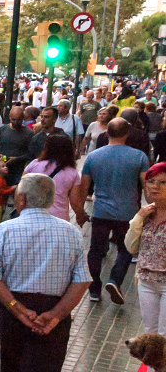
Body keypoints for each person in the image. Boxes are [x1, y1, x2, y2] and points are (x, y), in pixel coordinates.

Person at [0, 173, 90, 371]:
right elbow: (82, 281)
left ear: (22, 198)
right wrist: (56, 315)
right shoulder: (71, 232)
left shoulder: (3, 230)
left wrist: (16, 308)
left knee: (11, 365)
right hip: (54, 309)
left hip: (12, 311)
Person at [82, 117, 150, 304]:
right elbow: (147, 186)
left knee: (95, 250)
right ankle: (115, 279)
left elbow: (84, 186)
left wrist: (80, 212)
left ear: (106, 133)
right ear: (127, 134)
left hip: (101, 212)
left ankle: (94, 288)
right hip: (128, 213)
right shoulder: (139, 157)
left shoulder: (93, 156)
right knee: (126, 249)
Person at [126, 163, 166, 335]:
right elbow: (131, 247)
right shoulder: (146, 214)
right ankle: (152, 363)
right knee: (150, 332)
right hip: (146, 280)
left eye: (163, 182)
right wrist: (138, 218)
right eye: (151, 181)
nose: (155, 186)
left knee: (164, 334)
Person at [24, 134, 87, 223]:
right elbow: (75, 203)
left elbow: (22, 189)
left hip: (32, 215)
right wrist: (81, 215)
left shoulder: (34, 165)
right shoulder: (72, 173)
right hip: (58, 218)